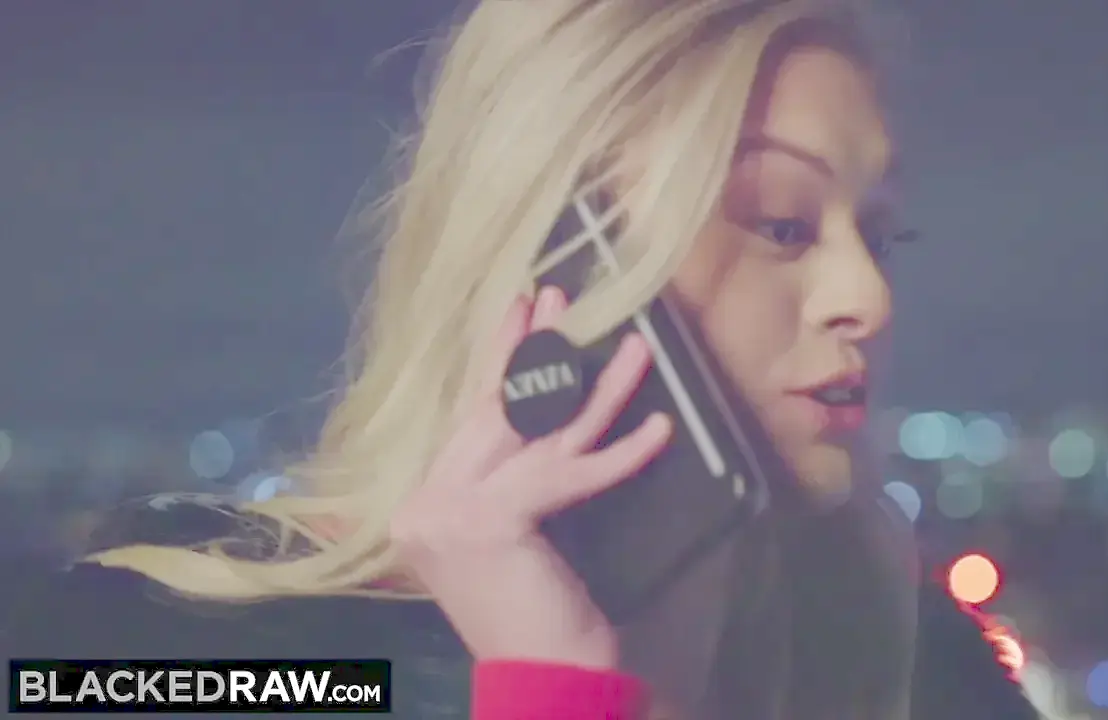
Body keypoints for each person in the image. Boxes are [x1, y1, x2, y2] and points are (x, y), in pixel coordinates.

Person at [3, 1, 1041, 718]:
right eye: (780, 225)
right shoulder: (147, 649)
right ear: (556, 253)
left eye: (881, 234)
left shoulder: (910, 663)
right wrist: (555, 689)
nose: (867, 297)